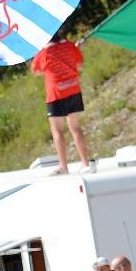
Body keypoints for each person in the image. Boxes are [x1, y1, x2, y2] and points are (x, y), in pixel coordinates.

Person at [30, 31, 91, 174]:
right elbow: (80, 66)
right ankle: (85, 163)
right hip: (73, 90)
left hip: (56, 95)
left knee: (57, 131)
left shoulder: (44, 53)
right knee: (76, 128)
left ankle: (64, 166)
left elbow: (35, 71)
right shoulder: (70, 46)